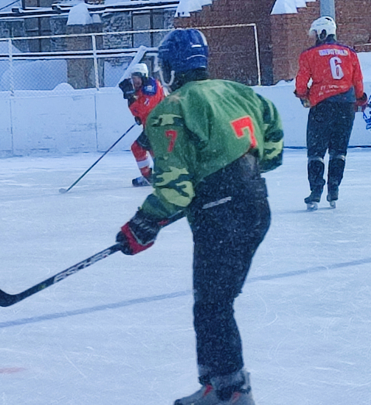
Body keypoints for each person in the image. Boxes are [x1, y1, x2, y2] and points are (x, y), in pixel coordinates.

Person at [114, 29, 283, 405]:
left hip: (219, 217)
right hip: (256, 205)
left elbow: (176, 191)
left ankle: (230, 391)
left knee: (213, 305)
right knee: (213, 301)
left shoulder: (169, 110)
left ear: (170, 68)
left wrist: (142, 225)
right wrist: (243, 167)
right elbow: (273, 142)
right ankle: (216, 385)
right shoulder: (239, 92)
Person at [295, 16, 366, 210]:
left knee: (316, 151)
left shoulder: (309, 54)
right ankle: (333, 189)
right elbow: (357, 80)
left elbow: (301, 82)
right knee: (339, 151)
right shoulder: (349, 53)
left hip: (322, 106)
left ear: (322, 33)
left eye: (316, 33)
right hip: (346, 106)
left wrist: (303, 95)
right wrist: (360, 98)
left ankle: (316, 191)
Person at [118, 63, 165, 187]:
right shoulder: (140, 89)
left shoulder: (151, 87)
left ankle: (150, 176)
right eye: (133, 78)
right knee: (152, 150)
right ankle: (158, 175)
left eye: (137, 77)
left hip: (158, 126)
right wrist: (130, 98)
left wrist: (130, 97)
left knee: (138, 148)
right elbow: (138, 111)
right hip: (153, 126)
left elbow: (144, 108)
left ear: (143, 76)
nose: (135, 81)